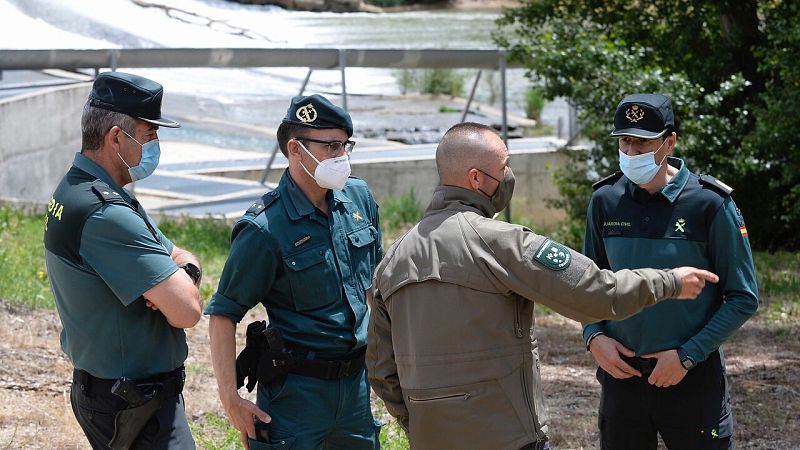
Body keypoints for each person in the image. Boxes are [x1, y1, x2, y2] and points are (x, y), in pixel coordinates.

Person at [366, 121, 719, 450]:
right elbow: (596, 292)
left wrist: (420, 422)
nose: (508, 176)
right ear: (476, 178)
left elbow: (381, 369)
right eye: (503, 167)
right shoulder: (500, 243)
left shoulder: (394, 258)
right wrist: (669, 281)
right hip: (509, 436)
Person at [582, 93, 759, 449]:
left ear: (669, 141)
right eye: (625, 141)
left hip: (691, 378)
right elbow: (589, 285)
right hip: (622, 378)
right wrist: (594, 338)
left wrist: (687, 356)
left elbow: (742, 297)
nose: (631, 152)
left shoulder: (709, 203)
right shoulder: (605, 200)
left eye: (642, 142)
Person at [206, 94, 383, 450]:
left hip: (355, 388)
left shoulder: (358, 198)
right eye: (331, 146)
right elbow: (223, 316)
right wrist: (231, 400)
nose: (341, 157)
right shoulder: (264, 228)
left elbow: (373, 289)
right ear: (295, 149)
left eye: (346, 146)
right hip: (296, 394)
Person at [44, 71, 203, 449]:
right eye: (150, 135)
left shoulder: (87, 189)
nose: (155, 146)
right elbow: (187, 312)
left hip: (120, 396)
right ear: (117, 137)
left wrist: (183, 272)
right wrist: (180, 284)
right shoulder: (105, 213)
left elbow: (179, 254)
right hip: (132, 404)